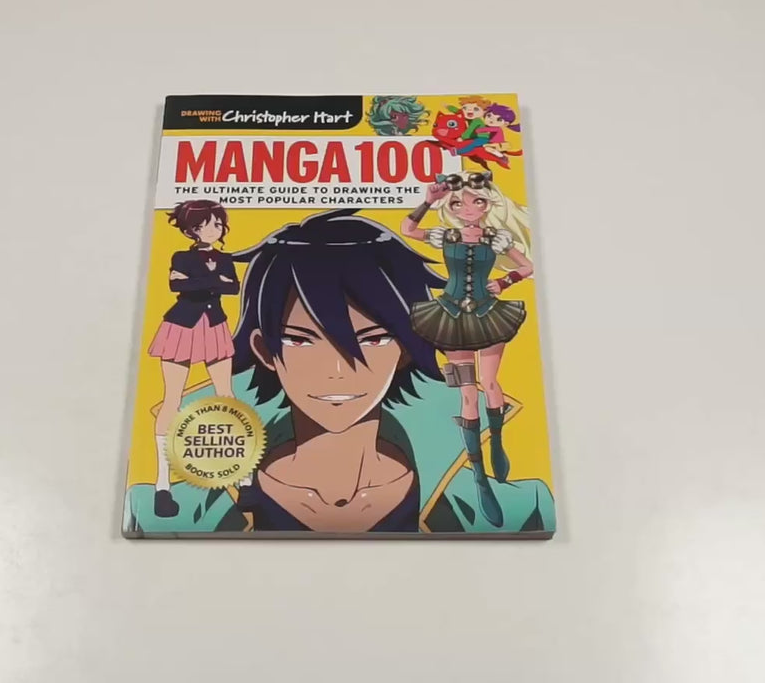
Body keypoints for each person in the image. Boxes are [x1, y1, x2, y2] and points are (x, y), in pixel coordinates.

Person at [124, 209, 553, 535]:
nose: (336, 372)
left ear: (407, 348)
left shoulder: (524, 506)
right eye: (300, 340)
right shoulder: (167, 510)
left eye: (373, 339)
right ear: (264, 351)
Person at [400, 171, 535, 526]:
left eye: (476, 202)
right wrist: (427, 201)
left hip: (490, 316)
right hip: (450, 317)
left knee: (490, 384)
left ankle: (498, 441)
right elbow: (408, 229)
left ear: (488, 204)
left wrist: (504, 281)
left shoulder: (496, 238)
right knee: (467, 393)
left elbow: (527, 266)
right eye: (459, 203)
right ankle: (478, 475)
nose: (468, 208)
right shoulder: (447, 235)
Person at [146, 200, 238, 518]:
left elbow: (233, 288)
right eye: (204, 225)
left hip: (214, 326)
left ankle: (243, 478)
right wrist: (214, 283)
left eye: (217, 224)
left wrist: (200, 283)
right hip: (181, 326)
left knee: (227, 397)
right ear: (190, 231)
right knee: (172, 400)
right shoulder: (181, 256)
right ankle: (162, 486)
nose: (213, 230)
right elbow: (177, 284)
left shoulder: (224, 259)